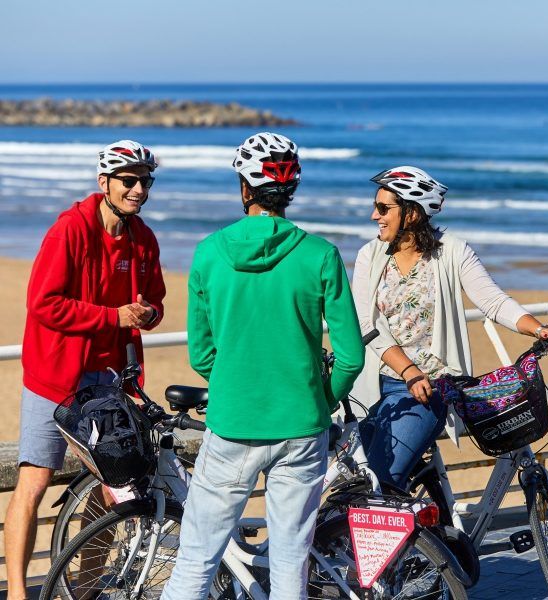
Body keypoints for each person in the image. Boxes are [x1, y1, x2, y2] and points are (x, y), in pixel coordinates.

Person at [161, 132, 364, 600]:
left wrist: (236, 383)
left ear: (245, 188)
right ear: (290, 191)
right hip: (301, 428)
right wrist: (318, 399)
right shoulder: (321, 255)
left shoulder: (209, 252)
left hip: (233, 423)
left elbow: (202, 355)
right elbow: (351, 355)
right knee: (291, 563)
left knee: (196, 560)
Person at [4, 140, 165, 599]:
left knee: (113, 485)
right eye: (129, 181)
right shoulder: (68, 231)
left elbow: (155, 300)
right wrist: (112, 316)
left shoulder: (145, 239)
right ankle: (18, 592)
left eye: (145, 182)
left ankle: (88, 586)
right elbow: (43, 304)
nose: (138, 190)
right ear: (105, 183)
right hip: (54, 379)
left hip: (111, 381)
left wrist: (147, 314)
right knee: (33, 480)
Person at [352, 166, 548, 489]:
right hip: (372, 389)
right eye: (376, 206)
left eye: (384, 208)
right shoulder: (369, 256)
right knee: (362, 484)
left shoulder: (452, 251)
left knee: (382, 484)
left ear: (411, 213)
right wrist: (408, 370)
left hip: (428, 391)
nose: (374, 216)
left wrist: (539, 329)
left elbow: (493, 301)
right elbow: (368, 324)